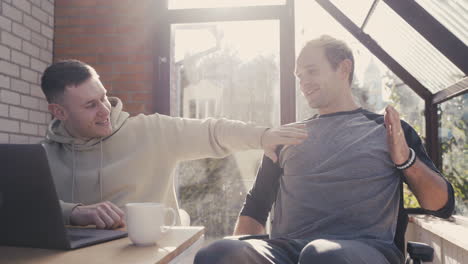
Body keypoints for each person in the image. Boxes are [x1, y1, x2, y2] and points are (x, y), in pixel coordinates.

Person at [194, 35, 455, 264]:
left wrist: (406, 161)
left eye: (311, 71)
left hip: (367, 251)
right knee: (218, 253)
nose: (303, 82)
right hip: (287, 252)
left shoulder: (387, 130)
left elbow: (441, 205)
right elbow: (256, 208)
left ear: (344, 68)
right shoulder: (285, 136)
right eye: (299, 76)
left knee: (321, 255)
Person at [40, 59, 308, 229]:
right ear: (59, 112)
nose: (104, 109)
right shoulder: (44, 154)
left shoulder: (150, 130)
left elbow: (212, 131)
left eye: (103, 97)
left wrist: (263, 136)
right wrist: (74, 213)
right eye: (90, 105)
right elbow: (17, 209)